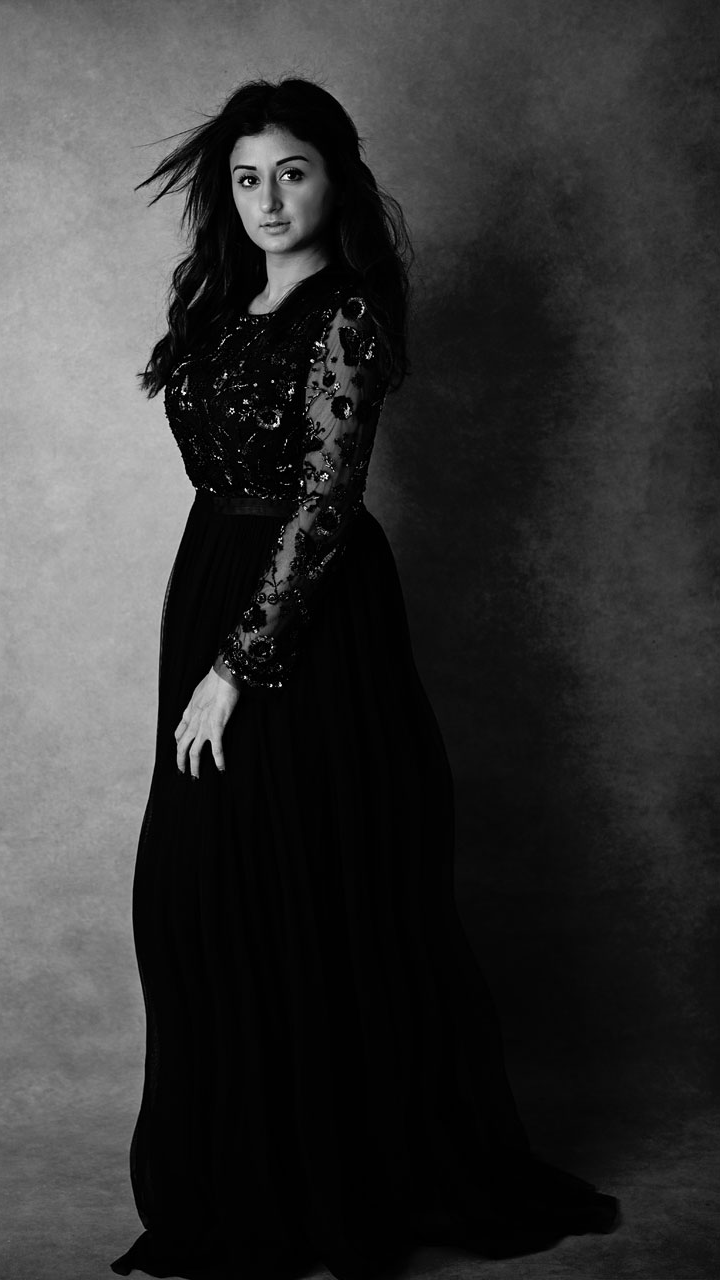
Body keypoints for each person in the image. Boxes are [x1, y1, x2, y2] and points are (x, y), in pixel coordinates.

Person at [111, 78, 618, 1280]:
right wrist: (212, 644)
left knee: (309, 886)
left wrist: (236, 666)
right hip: (215, 574)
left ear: (333, 177)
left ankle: (332, 1175)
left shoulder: (342, 314)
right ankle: (246, 1166)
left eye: (290, 172)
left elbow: (325, 502)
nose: (267, 199)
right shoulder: (221, 301)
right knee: (206, 889)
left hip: (310, 613)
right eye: (246, 178)